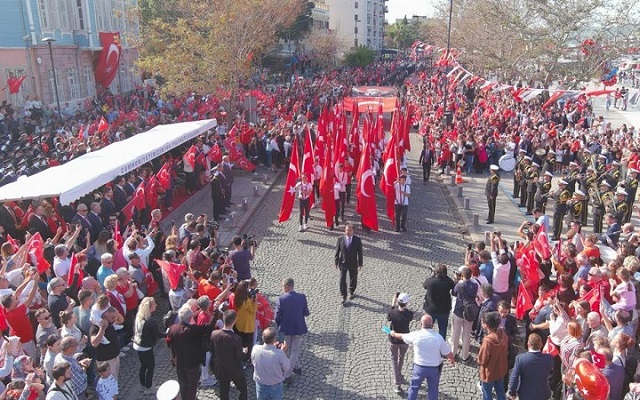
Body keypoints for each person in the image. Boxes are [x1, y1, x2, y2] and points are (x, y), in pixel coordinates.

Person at [389, 314, 455, 400]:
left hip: (419, 368)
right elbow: (447, 352)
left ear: (421, 324)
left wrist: (393, 333)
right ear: (432, 324)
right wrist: (452, 359)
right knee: (433, 389)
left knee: (414, 387)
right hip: (434, 369)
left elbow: (401, 336)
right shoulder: (438, 338)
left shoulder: (416, 335)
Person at [166, 305, 215, 400]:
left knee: (183, 384)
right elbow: (209, 327)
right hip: (192, 364)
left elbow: (169, 343)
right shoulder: (192, 330)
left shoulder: (173, 328)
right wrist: (215, 312)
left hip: (179, 362)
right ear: (189, 318)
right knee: (192, 386)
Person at [274, 278, 309, 384]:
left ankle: (287, 374)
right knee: (294, 351)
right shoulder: (302, 297)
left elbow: (277, 316)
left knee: (288, 350)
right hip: (298, 327)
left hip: (286, 328)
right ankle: (296, 367)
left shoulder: (281, 299)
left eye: (283, 286)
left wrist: (280, 324)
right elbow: (306, 312)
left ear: (287, 286)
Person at [209, 310, 248, 400]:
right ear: (234, 321)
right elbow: (238, 357)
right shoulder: (236, 338)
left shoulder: (214, 334)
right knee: (243, 389)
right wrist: (244, 353)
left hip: (221, 367)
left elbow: (211, 349)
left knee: (224, 390)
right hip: (234, 369)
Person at [507, 333, 554, 400]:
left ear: (528, 344)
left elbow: (514, 378)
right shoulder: (549, 358)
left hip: (525, 395)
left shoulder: (520, 359)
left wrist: (512, 392)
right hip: (544, 394)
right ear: (541, 345)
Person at [133, 297, 165, 395]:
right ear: (150, 307)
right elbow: (158, 335)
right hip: (146, 347)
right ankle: (148, 387)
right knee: (150, 366)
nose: (156, 305)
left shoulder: (139, 316)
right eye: (154, 304)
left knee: (143, 366)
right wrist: (168, 333)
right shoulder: (150, 321)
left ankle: (142, 385)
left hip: (138, 344)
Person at [251, 327, 290, 400]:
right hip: (275, 385)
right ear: (274, 339)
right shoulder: (279, 354)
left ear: (262, 338)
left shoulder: (255, 349)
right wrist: (283, 352)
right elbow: (287, 367)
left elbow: (253, 361)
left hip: (261, 384)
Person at [478, 312, 509, 400]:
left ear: (486, 325)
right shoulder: (503, 333)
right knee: (500, 389)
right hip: (501, 368)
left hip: (489, 372)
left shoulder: (487, 341)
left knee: (487, 392)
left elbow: (482, 360)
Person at [451, 266, 479, 363]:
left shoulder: (459, 285)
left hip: (458, 311)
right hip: (469, 313)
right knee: (466, 335)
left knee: (455, 333)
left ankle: (453, 353)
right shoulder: (475, 285)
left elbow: (454, 293)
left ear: (462, 275)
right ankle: (464, 356)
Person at [387, 292, 414, 394]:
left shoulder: (392, 312)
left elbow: (389, 318)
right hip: (404, 339)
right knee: (401, 358)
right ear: (406, 303)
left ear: (398, 301)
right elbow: (409, 315)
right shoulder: (409, 314)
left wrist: (393, 304)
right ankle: (398, 374)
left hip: (394, 340)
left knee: (394, 360)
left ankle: (397, 383)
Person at [422, 264, 455, 340]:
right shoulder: (448, 282)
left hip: (431, 309)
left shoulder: (431, 282)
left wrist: (432, 276)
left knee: (427, 329)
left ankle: (427, 342)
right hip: (444, 310)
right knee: (443, 330)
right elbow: (452, 284)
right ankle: (441, 345)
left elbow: (424, 285)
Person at [334, 224, 363, 305]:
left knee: (353, 278)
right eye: (346, 230)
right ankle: (344, 295)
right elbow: (337, 252)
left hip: (353, 263)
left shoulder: (357, 240)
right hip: (343, 262)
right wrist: (336, 262)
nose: (348, 232)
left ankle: (351, 290)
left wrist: (360, 263)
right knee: (342, 279)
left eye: (349, 230)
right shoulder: (340, 239)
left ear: (353, 231)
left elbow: (360, 253)